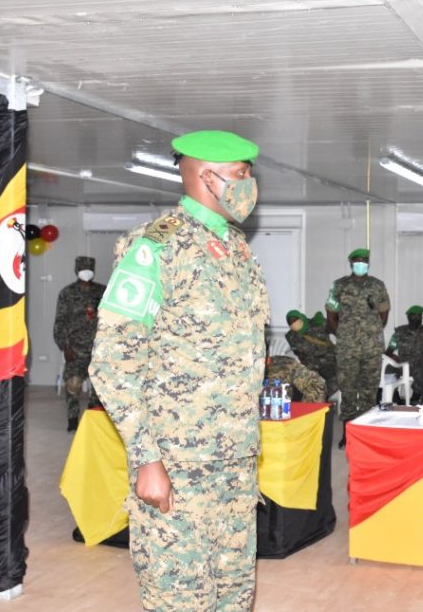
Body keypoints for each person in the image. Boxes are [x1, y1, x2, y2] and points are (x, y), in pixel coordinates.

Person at [89, 130, 270, 611]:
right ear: (207, 177)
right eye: (240, 175)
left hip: (234, 462)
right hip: (177, 463)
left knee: (234, 596)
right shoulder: (155, 248)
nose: (248, 185)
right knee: (180, 599)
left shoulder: (237, 250)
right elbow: (113, 363)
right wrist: (147, 460)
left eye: (249, 174)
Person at [326, 248, 389, 448]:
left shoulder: (378, 286)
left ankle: (366, 434)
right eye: (358, 261)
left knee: (369, 390)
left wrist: (373, 331)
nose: (361, 264)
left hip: (371, 348)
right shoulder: (339, 286)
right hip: (347, 348)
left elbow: (384, 313)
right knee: (348, 390)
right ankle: (348, 433)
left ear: (368, 264)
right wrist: (342, 335)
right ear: (351, 263)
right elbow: (331, 314)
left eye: (364, 261)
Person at [53, 255, 106, 431]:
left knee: (100, 386)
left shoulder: (102, 291)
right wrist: (64, 347)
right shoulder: (67, 293)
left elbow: (111, 318)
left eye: (90, 270)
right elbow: (60, 322)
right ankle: (73, 420)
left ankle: (94, 419)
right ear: (77, 270)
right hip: (75, 349)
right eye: (83, 269)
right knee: (73, 384)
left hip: (99, 348)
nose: (87, 273)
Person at [385, 305, 423, 400]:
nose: (417, 318)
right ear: (409, 317)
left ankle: (415, 399)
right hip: (403, 365)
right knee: (388, 370)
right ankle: (394, 396)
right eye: (414, 316)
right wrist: (389, 358)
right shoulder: (399, 332)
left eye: (419, 316)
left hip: (421, 364)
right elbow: (390, 349)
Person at [285, 309, 337, 398]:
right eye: (290, 322)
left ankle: (321, 397)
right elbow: (298, 354)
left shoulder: (316, 323)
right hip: (310, 366)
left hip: (328, 362)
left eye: (295, 319)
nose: (294, 323)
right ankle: (305, 401)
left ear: (301, 317)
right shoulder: (291, 336)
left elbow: (335, 329)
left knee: (337, 378)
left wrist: (327, 320)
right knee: (298, 385)